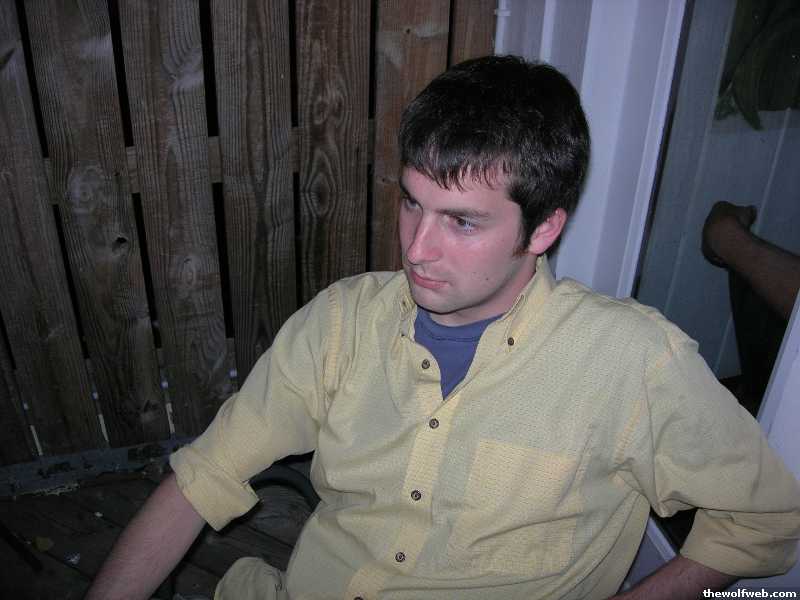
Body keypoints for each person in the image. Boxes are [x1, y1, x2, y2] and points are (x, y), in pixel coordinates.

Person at [87, 56, 800, 600]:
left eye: (461, 222)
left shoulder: (632, 362)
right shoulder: (342, 322)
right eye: (411, 203)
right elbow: (201, 478)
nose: (417, 249)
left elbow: (766, 520)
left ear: (543, 228)